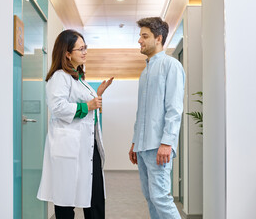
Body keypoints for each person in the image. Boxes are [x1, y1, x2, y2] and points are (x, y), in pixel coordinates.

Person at [37, 29, 113, 219]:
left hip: (87, 145)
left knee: (95, 196)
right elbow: (58, 107)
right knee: (65, 201)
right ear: (67, 53)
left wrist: (98, 94)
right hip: (69, 148)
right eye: (81, 48)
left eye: (85, 47)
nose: (85, 52)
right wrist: (89, 105)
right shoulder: (59, 77)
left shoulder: (78, 79)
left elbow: (85, 104)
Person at [128, 17, 185, 219]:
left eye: (145, 36)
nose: (140, 41)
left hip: (158, 146)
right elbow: (141, 112)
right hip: (143, 147)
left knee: (161, 198)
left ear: (158, 38)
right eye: (140, 36)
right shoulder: (145, 72)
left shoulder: (171, 66)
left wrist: (167, 143)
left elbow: (174, 109)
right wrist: (135, 141)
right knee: (151, 198)